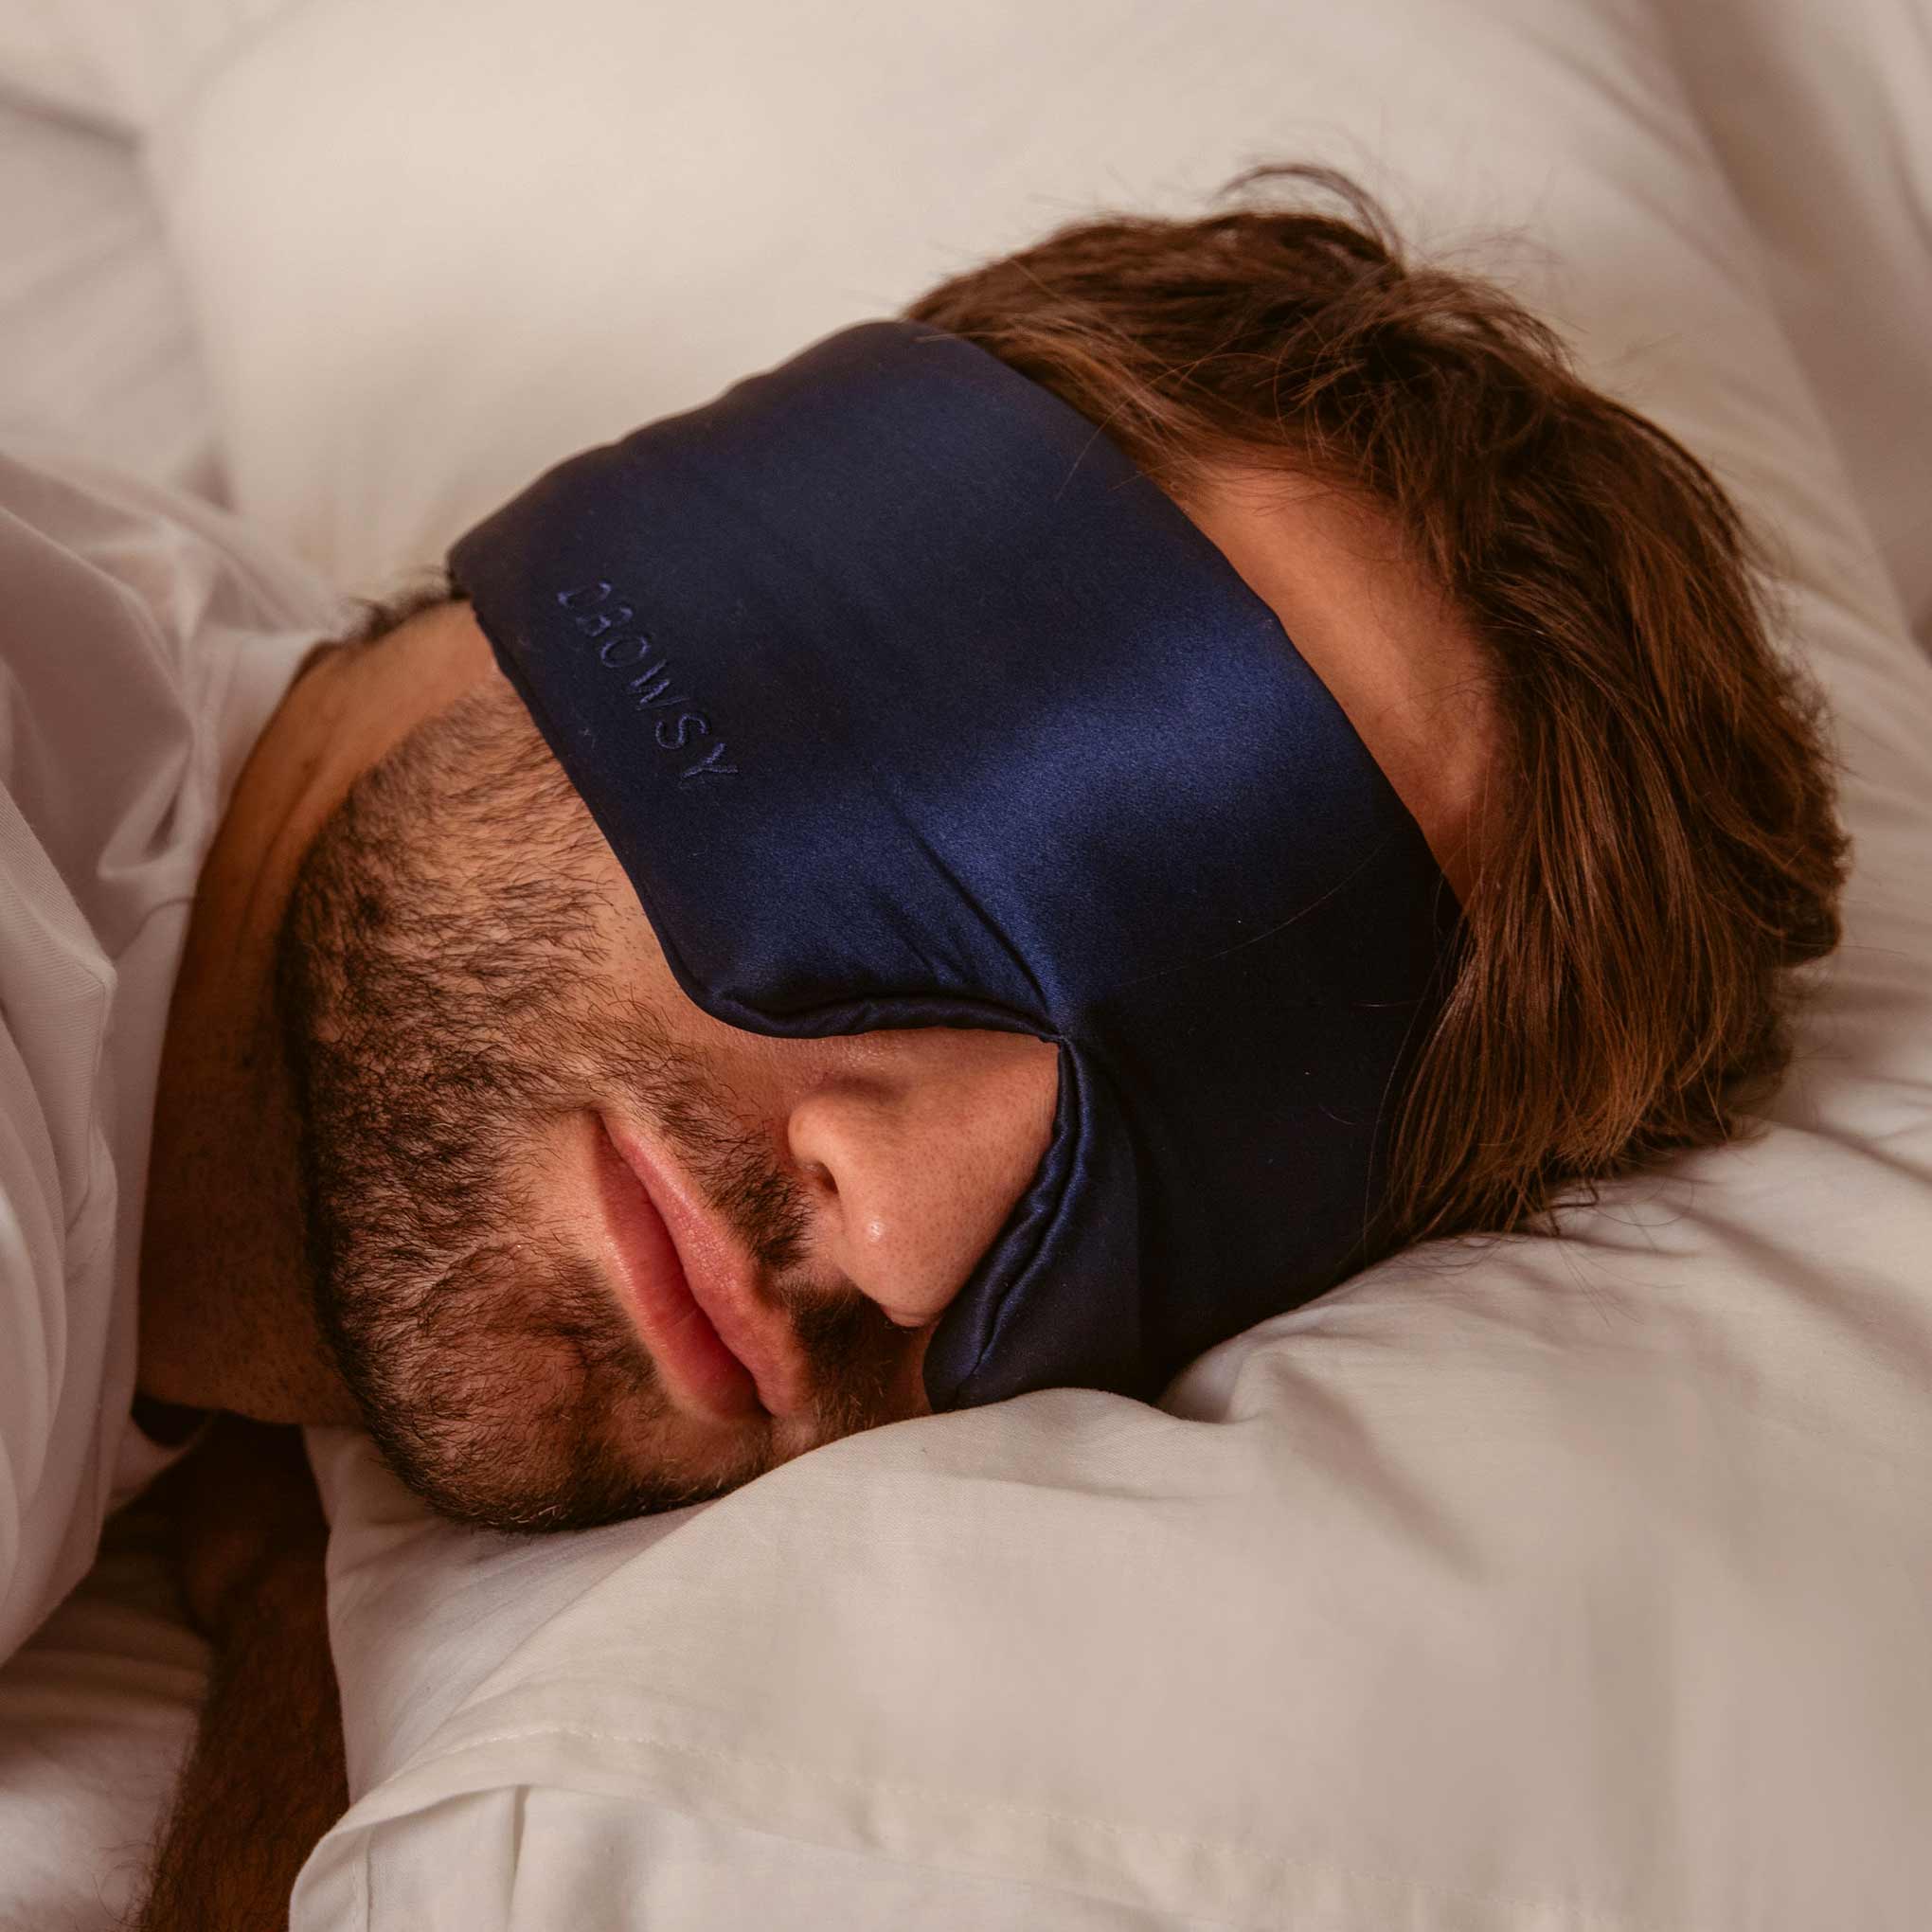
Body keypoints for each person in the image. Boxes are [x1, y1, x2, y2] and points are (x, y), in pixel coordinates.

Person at [0, 164, 1851, 1924]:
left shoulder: (159, 682)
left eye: (1165, 1198)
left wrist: (272, 1598)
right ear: (669, 559)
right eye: (1035, 849)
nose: (900, 1240)